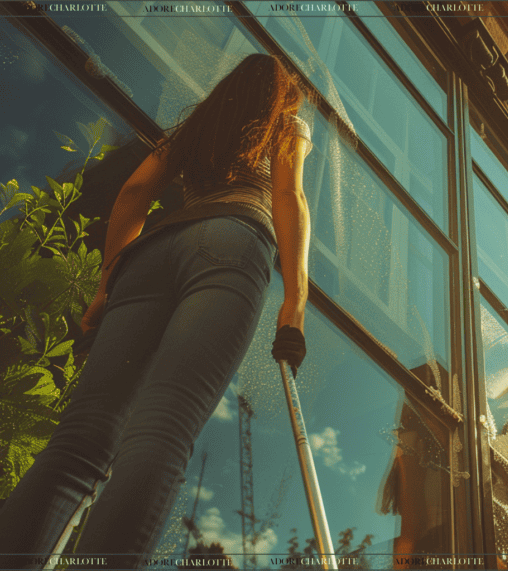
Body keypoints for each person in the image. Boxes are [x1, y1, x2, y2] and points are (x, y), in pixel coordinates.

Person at [0, 53, 312, 568]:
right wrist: (295, 304)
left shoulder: (197, 128)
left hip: (150, 255)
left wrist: (106, 287)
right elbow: (288, 194)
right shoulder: (286, 125)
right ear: (281, 98)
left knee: (80, 437)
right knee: (162, 427)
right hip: (232, 242)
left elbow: (136, 190)